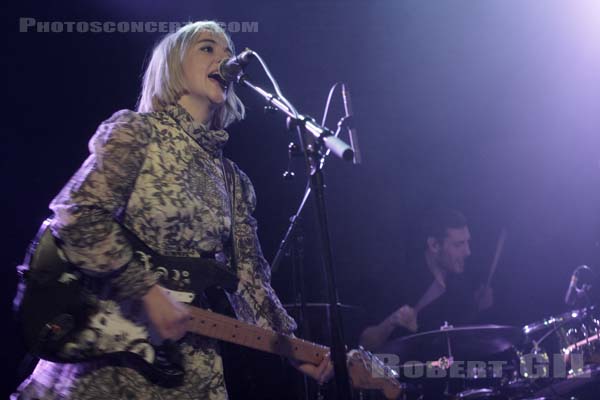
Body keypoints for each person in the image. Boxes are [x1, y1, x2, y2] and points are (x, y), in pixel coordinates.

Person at [13, 21, 331, 400]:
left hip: (191, 369)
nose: (226, 59)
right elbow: (77, 214)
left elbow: (248, 282)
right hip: (110, 360)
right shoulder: (135, 133)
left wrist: (294, 348)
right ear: (173, 64)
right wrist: (145, 291)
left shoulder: (233, 180)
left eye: (229, 52)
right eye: (208, 48)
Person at [359, 208, 493, 351]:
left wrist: (477, 308)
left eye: (467, 242)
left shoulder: (460, 285)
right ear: (434, 245)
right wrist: (392, 321)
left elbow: (461, 342)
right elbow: (364, 344)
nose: (468, 252)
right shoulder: (398, 280)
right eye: (458, 244)